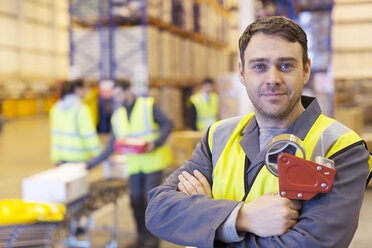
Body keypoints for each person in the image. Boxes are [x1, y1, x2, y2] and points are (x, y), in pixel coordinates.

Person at [145, 16, 372, 248]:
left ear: (305, 71)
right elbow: (159, 211)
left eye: (286, 65)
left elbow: (311, 244)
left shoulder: (341, 147)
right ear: (242, 73)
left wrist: (206, 225)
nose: (273, 79)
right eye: (259, 66)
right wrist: (243, 217)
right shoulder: (219, 136)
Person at [87, 79, 173, 248]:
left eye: (119, 94)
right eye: (114, 95)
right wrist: (90, 164)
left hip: (153, 163)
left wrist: (155, 143)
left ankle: (153, 241)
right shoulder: (118, 116)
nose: (116, 98)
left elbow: (168, 124)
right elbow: (111, 145)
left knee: (150, 202)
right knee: (135, 201)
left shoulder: (147, 105)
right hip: (134, 165)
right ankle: (141, 238)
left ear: (128, 91)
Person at [50, 80, 101, 165]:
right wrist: (99, 154)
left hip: (62, 158)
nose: (87, 92)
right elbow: (89, 135)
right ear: (77, 89)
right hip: (79, 158)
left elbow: (55, 136)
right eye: (85, 88)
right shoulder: (81, 109)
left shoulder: (55, 109)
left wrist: (55, 158)